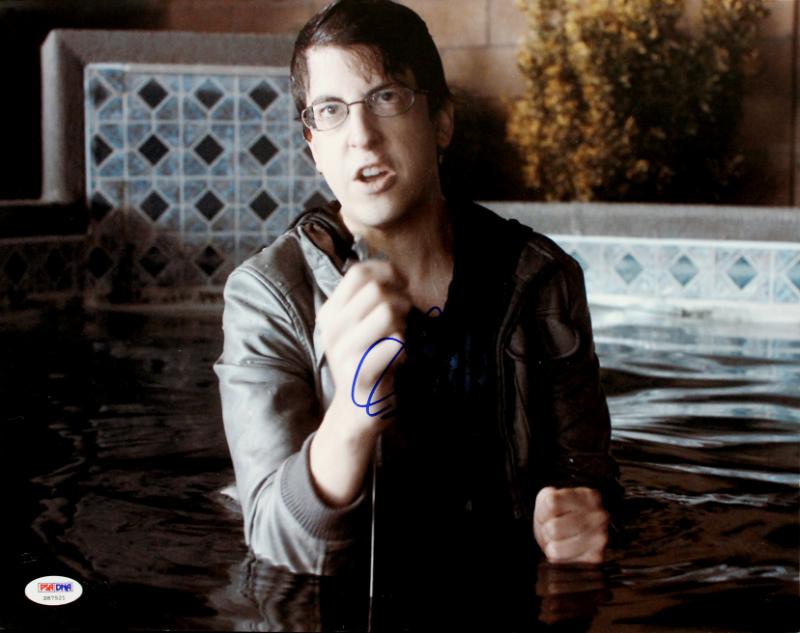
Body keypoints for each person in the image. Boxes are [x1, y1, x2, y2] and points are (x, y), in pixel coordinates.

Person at [214, 0, 620, 579]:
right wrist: (353, 414)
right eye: (330, 110)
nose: (361, 136)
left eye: (386, 97)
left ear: (441, 122)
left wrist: (582, 517)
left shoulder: (540, 279)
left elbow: (591, 478)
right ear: (313, 147)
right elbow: (275, 546)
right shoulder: (267, 296)